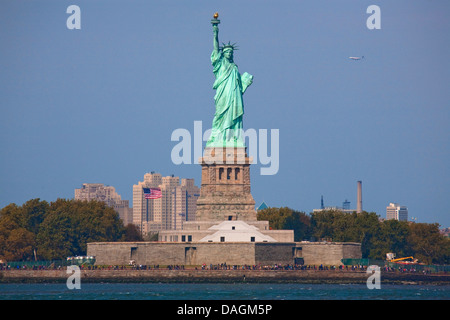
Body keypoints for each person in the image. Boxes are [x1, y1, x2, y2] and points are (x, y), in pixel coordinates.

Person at [206, 23, 253, 148]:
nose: (229, 54)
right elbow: (216, 49)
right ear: (224, 53)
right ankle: (218, 138)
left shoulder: (235, 68)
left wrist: (245, 83)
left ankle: (234, 138)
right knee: (220, 115)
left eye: (231, 52)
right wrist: (215, 33)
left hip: (235, 95)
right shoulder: (220, 64)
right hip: (223, 94)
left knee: (235, 116)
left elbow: (239, 87)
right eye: (227, 52)